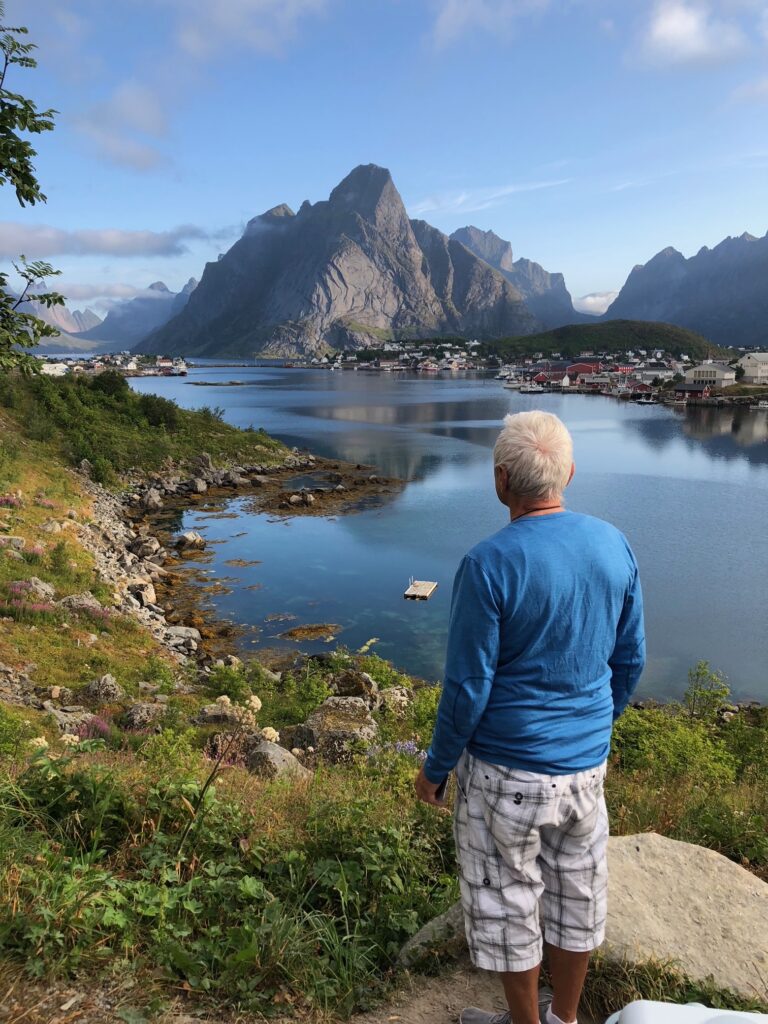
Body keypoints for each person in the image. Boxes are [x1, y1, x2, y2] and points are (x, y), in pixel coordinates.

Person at [414, 410, 645, 1024]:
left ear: (500, 482)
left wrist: (435, 768)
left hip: (502, 773)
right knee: (577, 896)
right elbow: (630, 659)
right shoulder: (613, 545)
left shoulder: (489, 564)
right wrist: (594, 725)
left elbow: (467, 689)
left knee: (510, 904)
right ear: (567, 472)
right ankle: (565, 1019)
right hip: (584, 769)